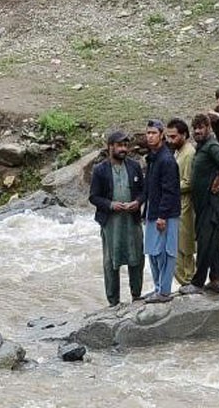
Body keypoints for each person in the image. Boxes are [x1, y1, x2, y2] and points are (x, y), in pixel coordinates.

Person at [179, 114, 219, 295]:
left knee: (204, 242)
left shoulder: (211, 146)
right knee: (213, 242)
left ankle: (197, 282)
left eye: (201, 127)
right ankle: (216, 280)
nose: (197, 131)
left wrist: (218, 182)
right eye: (195, 128)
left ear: (208, 128)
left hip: (213, 204)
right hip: (205, 205)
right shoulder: (202, 147)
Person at [88, 130, 145, 306]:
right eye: (119, 145)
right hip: (111, 222)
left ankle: (136, 295)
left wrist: (137, 202)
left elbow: (144, 190)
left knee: (137, 257)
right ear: (110, 147)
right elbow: (93, 197)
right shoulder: (100, 170)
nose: (123, 149)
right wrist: (111, 205)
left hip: (132, 219)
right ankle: (113, 302)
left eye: (125, 145)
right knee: (111, 261)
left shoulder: (134, 166)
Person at [141, 119, 180, 303]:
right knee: (152, 251)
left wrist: (163, 215)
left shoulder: (166, 159)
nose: (150, 136)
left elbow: (170, 190)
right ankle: (158, 287)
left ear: (161, 135)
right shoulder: (153, 157)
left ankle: (164, 291)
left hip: (165, 214)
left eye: (153, 133)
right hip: (152, 210)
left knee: (165, 252)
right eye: (148, 133)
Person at [166, 118, 197, 287]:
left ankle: (188, 282)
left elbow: (189, 182)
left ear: (184, 135)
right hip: (176, 203)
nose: (170, 140)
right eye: (168, 137)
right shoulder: (178, 151)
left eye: (174, 136)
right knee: (176, 247)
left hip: (185, 205)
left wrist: (167, 187)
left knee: (184, 248)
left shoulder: (189, 153)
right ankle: (185, 283)